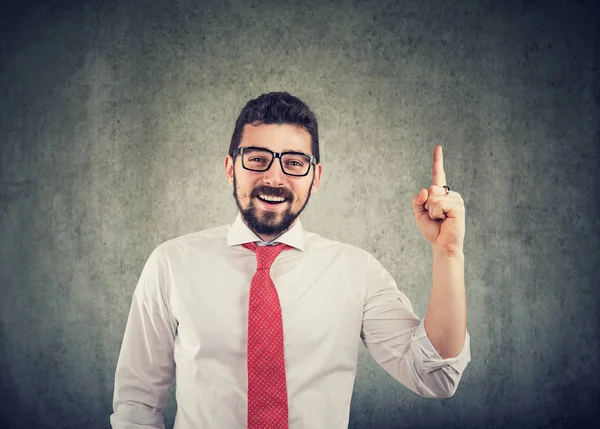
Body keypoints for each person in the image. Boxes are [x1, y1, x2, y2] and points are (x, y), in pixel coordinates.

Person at [110, 91, 471, 429]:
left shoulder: (356, 271)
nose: (274, 177)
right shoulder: (171, 263)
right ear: (230, 167)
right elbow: (137, 405)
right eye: (256, 158)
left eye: (295, 162)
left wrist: (448, 254)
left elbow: (434, 377)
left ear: (315, 177)